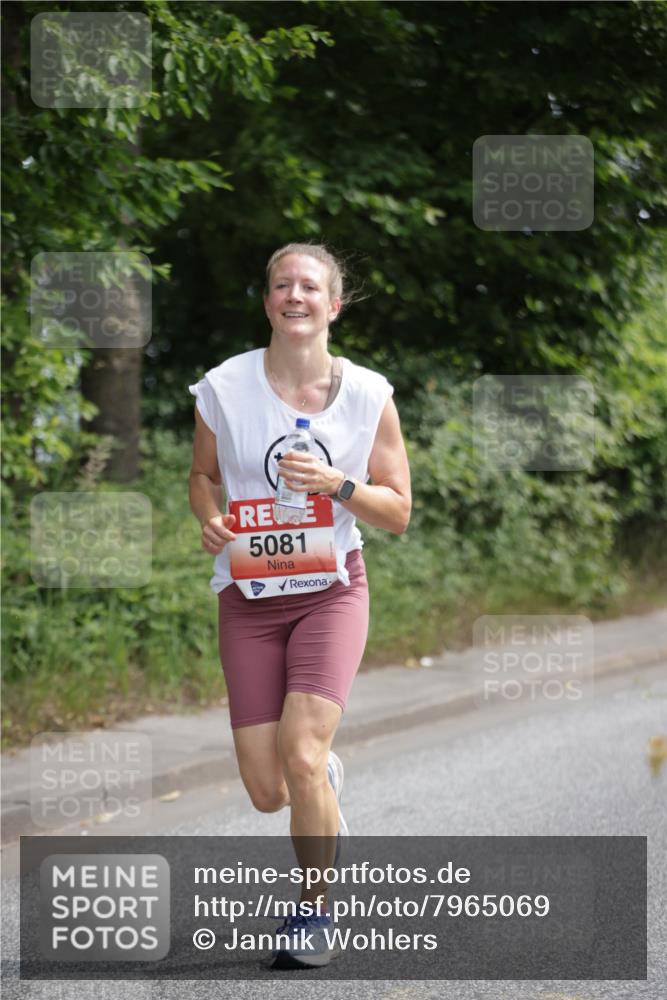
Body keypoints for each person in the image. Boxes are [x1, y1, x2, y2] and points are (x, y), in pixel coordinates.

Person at [188, 242, 411, 968]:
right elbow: (201, 476)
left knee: (304, 753)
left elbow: (398, 511)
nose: (294, 295)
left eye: (309, 286)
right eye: (281, 284)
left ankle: (314, 916)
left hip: (330, 593)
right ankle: (320, 784)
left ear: (333, 305)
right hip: (248, 597)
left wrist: (336, 485)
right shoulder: (224, 387)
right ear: (266, 302)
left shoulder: (369, 395)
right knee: (265, 789)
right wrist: (209, 517)